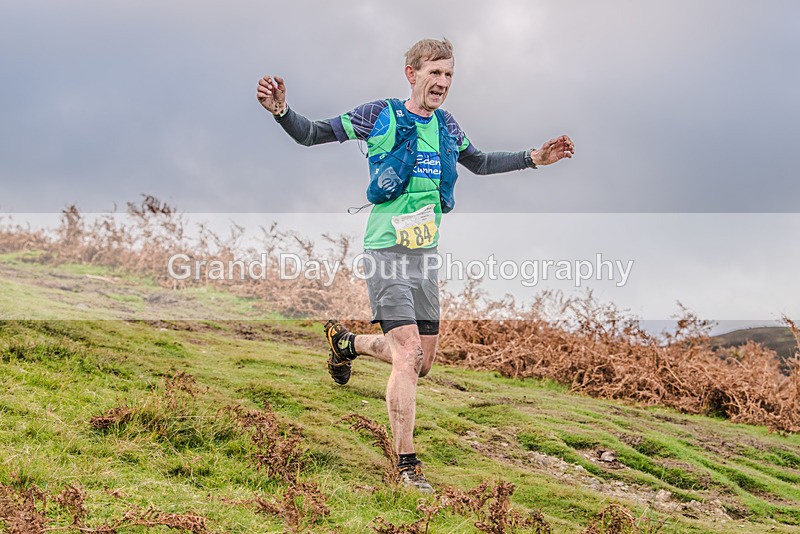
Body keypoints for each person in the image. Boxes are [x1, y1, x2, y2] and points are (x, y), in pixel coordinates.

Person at [257, 38, 574, 493]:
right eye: (435, 73)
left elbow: (480, 163)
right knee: (406, 355)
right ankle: (406, 465)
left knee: (421, 363)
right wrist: (282, 111)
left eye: (449, 75)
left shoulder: (446, 126)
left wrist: (533, 159)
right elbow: (313, 133)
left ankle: (346, 343)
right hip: (385, 250)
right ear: (412, 74)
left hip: (423, 256)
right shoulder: (380, 115)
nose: (442, 82)